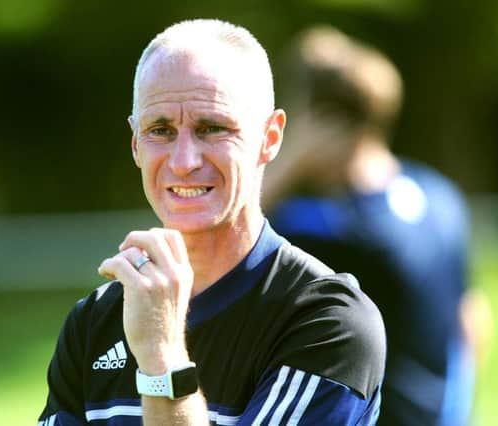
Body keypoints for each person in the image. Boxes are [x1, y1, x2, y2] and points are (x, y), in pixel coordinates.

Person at [38, 19, 386, 426]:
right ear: (136, 144)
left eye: (212, 128)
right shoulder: (94, 321)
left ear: (269, 138)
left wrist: (162, 357)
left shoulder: (328, 322)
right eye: (160, 130)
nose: (184, 161)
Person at [264, 26, 489, 425]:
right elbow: (472, 320)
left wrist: (290, 161)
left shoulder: (330, 227)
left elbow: (203, 245)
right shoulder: (438, 194)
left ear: (322, 122)